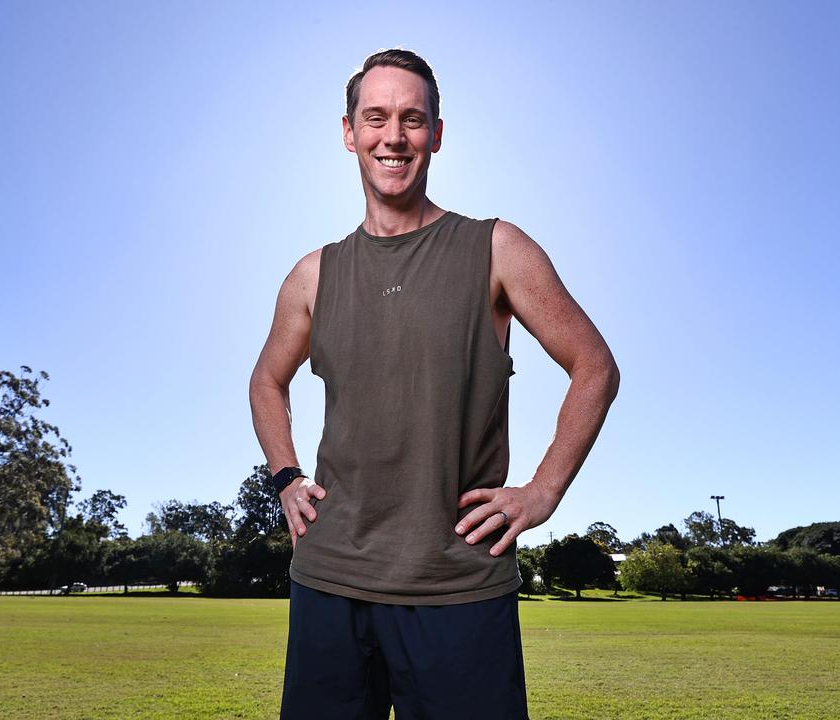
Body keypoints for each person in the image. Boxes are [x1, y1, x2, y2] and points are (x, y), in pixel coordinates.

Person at [249, 48, 619, 720]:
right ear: (349, 132)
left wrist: (542, 492)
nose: (394, 137)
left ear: (437, 135)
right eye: (377, 118)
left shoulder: (497, 248)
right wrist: (285, 477)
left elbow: (595, 366)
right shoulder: (313, 276)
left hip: (458, 587)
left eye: (413, 120)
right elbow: (266, 381)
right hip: (330, 583)